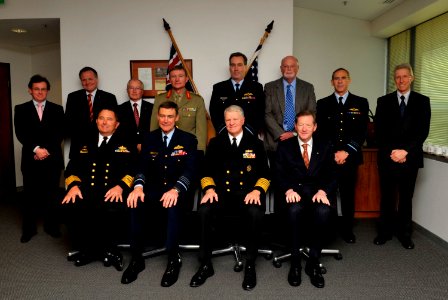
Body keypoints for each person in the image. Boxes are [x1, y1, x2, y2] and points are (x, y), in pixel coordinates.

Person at [190, 105, 270, 291]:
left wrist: (257, 191)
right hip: (221, 195)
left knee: (255, 213)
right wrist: (209, 190)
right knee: (203, 212)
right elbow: (205, 172)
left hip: (247, 195)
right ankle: (205, 264)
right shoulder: (216, 143)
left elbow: (265, 174)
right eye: (228, 120)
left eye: (235, 119)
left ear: (243, 121)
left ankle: (250, 264)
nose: (231, 123)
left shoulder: (255, 143)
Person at [122, 101, 197, 287]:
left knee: (172, 205)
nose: (165, 120)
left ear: (177, 117)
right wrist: (138, 187)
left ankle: (173, 258)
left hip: (177, 190)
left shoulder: (188, 139)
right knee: (135, 202)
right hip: (154, 189)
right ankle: (137, 258)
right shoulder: (149, 138)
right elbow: (142, 167)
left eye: (170, 116)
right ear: (158, 117)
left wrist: (176, 189)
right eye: (162, 116)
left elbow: (190, 170)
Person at [62, 107, 136, 271]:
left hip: (113, 190)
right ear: (96, 121)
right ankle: (87, 250)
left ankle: (112, 251)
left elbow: (133, 169)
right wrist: (73, 186)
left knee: (110, 210)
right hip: (86, 189)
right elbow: (71, 167)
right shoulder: (84, 140)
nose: (104, 122)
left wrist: (121, 186)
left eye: (109, 119)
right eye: (101, 118)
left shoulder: (126, 141)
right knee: (70, 206)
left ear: (116, 124)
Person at [275, 110, 337, 288]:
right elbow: (278, 174)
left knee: (323, 211)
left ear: (315, 127)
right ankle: (295, 263)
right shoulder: (285, 146)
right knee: (294, 210)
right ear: (295, 126)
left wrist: (324, 191)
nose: (304, 128)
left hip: (317, 193)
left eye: (308, 125)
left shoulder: (325, 145)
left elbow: (333, 175)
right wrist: (287, 190)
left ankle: (313, 262)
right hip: (294, 193)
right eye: (300, 124)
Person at [374, 63, 430, 250]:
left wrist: (405, 152)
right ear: (394, 79)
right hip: (388, 157)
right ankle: (384, 232)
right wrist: (394, 153)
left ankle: (405, 234)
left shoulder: (422, 101)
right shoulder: (383, 101)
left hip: (410, 157)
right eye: (398, 77)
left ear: (411, 78)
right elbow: (379, 132)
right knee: (387, 196)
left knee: (406, 197)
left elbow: (422, 132)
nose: (401, 80)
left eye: (405, 76)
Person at [316, 68, 369, 243]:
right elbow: (320, 134)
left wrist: (346, 151)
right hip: (329, 158)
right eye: (336, 78)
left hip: (350, 157)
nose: (340, 81)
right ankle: (329, 229)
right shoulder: (322, 103)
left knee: (347, 194)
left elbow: (361, 132)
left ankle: (347, 229)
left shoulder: (360, 102)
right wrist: (332, 153)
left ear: (349, 80)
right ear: (331, 82)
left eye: (343, 78)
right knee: (328, 194)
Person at [14, 74, 65, 243]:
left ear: (48, 91)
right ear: (30, 90)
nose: (40, 92)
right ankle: (28, 230)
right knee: (30, 195)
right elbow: (21, 133)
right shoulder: (20, 109)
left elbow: (59, 133)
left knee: (52, 194)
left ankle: (52, 227)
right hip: (31, 159)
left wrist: (46, 150)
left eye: (43, 89)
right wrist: (36, 149)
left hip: (52, 158)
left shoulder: (57, 109)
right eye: (36, 89)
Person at [264, 55, 316, 155]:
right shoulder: (270, 87)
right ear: (281, 68)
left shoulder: (308, 88)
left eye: (292, 66)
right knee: (276, 171)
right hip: (276, 142)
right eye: (285, 66)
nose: (289, 69)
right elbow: (267, 113)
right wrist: (281, 134)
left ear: (298, 68)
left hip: (300, 140)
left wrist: (294, 133)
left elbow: (311, 113)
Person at [150, 65, 207, 153]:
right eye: (173, 76)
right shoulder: (160, 99)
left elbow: (201, 132)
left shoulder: (197, 100)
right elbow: (154, 127)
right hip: (165, 147)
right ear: (170, 79)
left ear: (186, 79)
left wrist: (199, 154)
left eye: (180, 76)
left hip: (188, 147)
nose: (177, 79)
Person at [65, 66, 117, 159]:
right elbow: (68, 122)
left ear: (97, 80)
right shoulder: (73, 97)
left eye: (90, 79)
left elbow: (113, 122)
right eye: (84, 80)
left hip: (103, 144)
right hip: (80, 145)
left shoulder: (109, 97)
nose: (87, 82)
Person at [209, 52, 265, 136]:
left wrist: (251, 130)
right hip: (225, 136)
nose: (236, 68)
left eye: (239, 65)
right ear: (229, 68)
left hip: (249, 136)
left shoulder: (256, 88)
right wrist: (224, 130)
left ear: (245, 67)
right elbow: (214, 112)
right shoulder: (219, 88)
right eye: (233, 65)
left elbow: (260, 112)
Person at [117, 79, 153, 152]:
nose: (134, 91)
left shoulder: (152, 108)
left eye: (137, 88)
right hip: (127, 150)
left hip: (148, 148)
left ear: (142, 91)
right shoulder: (119, 109)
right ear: (127, 90)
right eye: (131, 88)